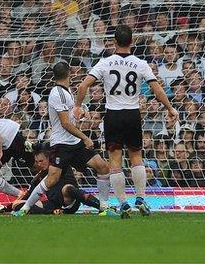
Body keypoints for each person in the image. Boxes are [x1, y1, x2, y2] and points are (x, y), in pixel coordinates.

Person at [75, 25, 179, 217]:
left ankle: (123, 202)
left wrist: (77, 106)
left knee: (115, 160)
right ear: (132, 41)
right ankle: (140, 198)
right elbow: (156, 89)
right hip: (133, 114)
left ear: (114, 41)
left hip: (113, 115)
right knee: (136, 157)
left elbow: (83, 86)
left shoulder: (105, 63)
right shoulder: (140, 63)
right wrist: (170, 108)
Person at [13, 62, 112, 217]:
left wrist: (81, 113)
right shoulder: (57, 93)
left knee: (103, 167)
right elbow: (65, 123)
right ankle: (25, 208)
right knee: (52, 179)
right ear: (69, 74)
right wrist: (85, 138)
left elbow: (70, 117)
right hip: (62, 144)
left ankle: (104, 209)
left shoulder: (67, 92)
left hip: (74, 142)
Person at [0, 148, 118, 216]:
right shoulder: (38, 177)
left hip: (70, 201)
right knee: (18, 205)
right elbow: (28, 195)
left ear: (50, 159)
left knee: (67, 189)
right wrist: (7, 207)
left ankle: (103, 208)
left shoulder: (61, 166)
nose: (39, 164)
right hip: (53, 204)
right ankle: (54, 212)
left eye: (41, 161)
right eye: (37, 162)